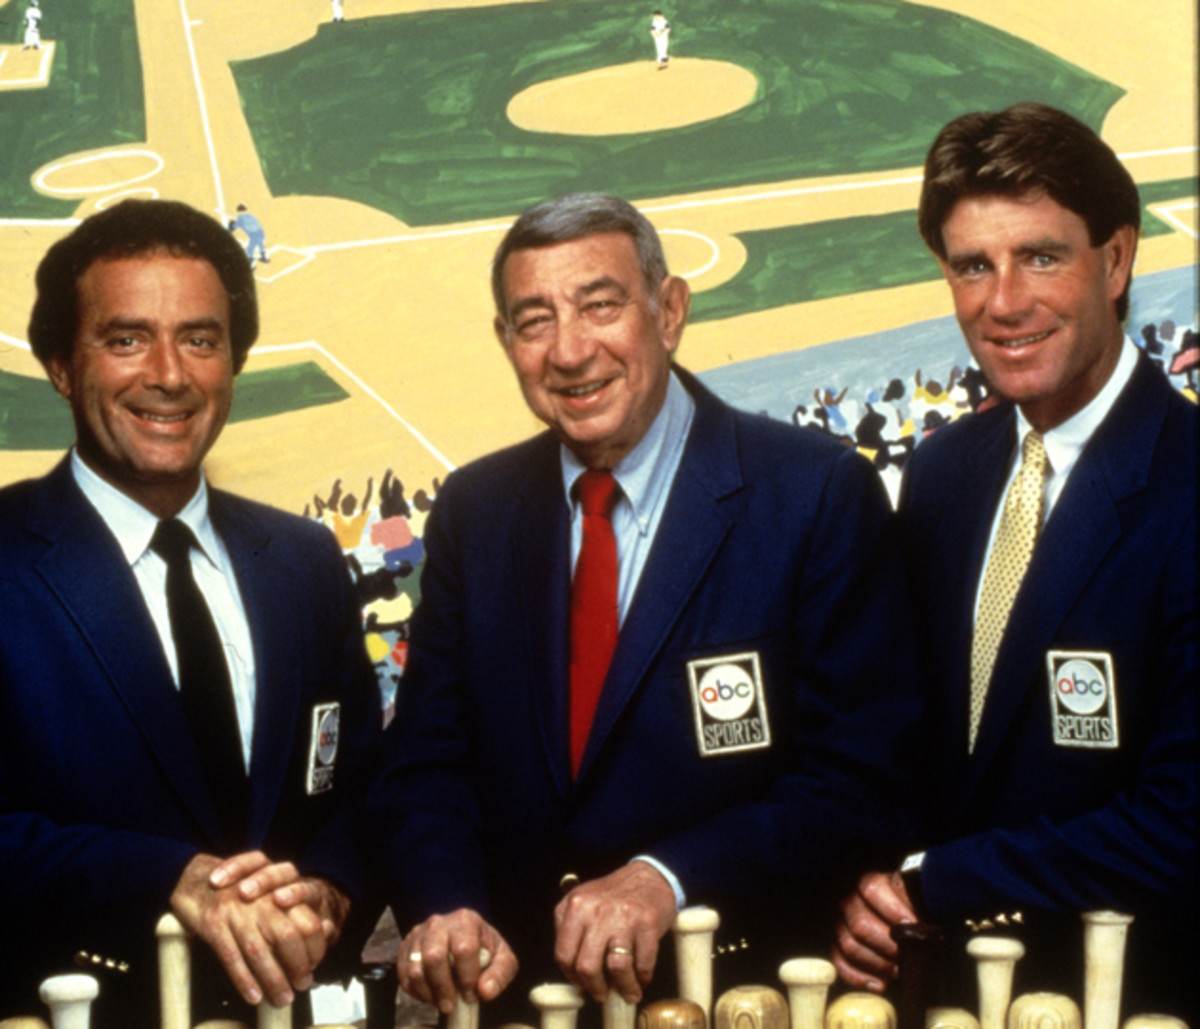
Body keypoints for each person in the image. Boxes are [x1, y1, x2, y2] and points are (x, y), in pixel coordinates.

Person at [368, 192, 923, 1021]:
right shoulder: (475, 511)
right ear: (506, 341)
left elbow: (864, 777)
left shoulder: (812, 492)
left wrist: (667, 876)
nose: (569, 350)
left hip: (738, 994)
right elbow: (424, 764)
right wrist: (448, 904)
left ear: (669, 311)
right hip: (524, 999)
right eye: (535, 320)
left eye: (600, 305)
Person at [832, 103, 1197, 1024]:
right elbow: (909, 740)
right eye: (972, 266)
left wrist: (933, 880)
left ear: (1116, 260)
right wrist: (870, 889)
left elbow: (1184, 820)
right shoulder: (947, 471)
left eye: (1039, 257)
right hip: (941, 994)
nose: (1002, 303)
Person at [0, 199, 380, 1027]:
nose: (170, 374)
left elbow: (360, 783)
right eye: (127, 339)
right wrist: (167, 876)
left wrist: (330, 885)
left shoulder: (304, 560)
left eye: (201, 339)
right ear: (61, 364)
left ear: (233, 363)